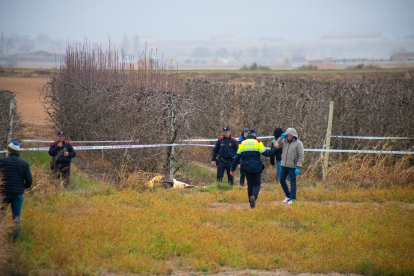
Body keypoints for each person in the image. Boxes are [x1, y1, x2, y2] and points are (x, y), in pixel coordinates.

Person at [230, 129, 276, 208]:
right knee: (257, 184)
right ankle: (254, 197)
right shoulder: (258, 142)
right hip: (257, 168)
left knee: (250, 184)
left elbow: (236, 158)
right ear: (254, 135)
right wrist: (274, 148)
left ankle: (251, 204)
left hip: (247, 168)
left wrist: (232, 169)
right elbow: (267, 154)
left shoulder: (242, 143)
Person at [0, 142, 32, 240]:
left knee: (2, 214)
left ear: (9, 151)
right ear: (18, 152)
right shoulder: (24, 163)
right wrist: (23, 187)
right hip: (18, 193)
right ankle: (15, 237)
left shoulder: (2, 161)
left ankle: (2, 234)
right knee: (16, 215)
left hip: (4, 192)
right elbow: (29, 180)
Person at [275, 128, 304, 205]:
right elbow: (277, 146)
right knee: (281, 180)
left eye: (290, 135)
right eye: (287, 135)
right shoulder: (284, 141)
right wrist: (280, 138)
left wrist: (298, 166)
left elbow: (301, 155)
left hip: (293, 166)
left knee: (292, 182)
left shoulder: (298, 143)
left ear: (293, 136)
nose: (289, 137)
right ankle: (288, 195)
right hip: (283, 165)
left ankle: (293, 198)